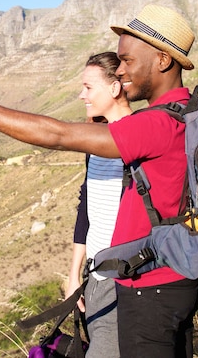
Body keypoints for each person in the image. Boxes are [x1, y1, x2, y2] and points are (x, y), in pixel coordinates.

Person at [0, 4, 198, 358]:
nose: (121, 71)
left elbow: (57, 134)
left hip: (147, 289)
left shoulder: (156, 125)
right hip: (171, 280)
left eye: (128, 61)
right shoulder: (190, 112)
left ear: (163, 61)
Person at [66, 51, 130, 358]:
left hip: (123, 282)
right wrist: (74, 273)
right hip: (95, 279)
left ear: (115, 89)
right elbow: (86, 206)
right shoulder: (96, 141)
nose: (82, 95)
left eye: (88, 87)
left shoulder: (138, 139)